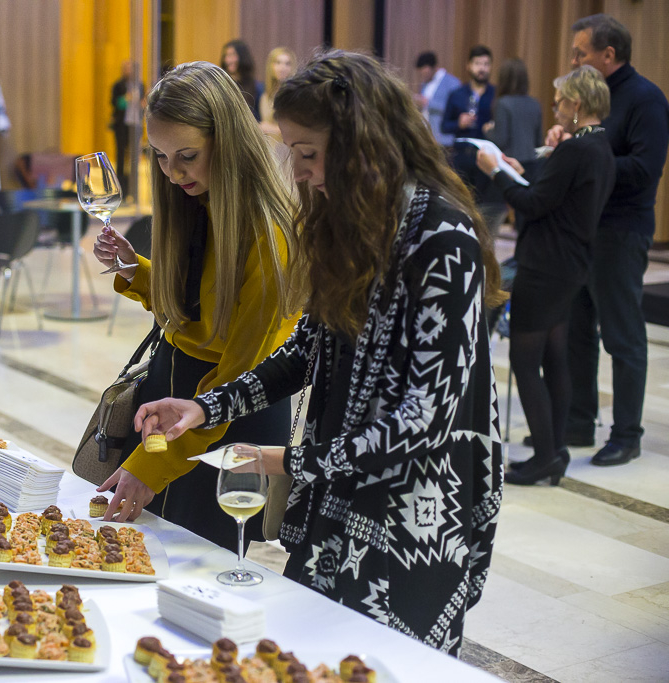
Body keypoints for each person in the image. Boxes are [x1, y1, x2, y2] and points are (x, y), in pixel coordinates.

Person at [135, 50, 506, 656]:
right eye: (293, 152)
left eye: (308, 153)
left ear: (364, 143)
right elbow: (305, 349)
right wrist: (206, 408)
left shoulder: (443, 237)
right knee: (307, 658)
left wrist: (288, 460)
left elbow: (425, 419)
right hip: (336, 499)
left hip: (412, 519)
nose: (300, 172)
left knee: (380, 663)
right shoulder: (346, 221)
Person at [91, 61, 301, 551]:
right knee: (146, 552)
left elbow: (239, 371)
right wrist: (136, 270)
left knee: (200, 563)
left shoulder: (268, 235)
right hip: (170, 397)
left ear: (228, 142)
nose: (173, 172)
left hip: (227, 414)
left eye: (187, 155)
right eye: (161, 157)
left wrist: (153, 464)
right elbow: (190, 313)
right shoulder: (195, 202)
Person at [477, 66, 614, 486]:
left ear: (576, 104)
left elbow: (533, 204)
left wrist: (495, 171)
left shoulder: (576, 150)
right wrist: (523, 169)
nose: (555, 110)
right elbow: (553, 196)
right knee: (555, 359)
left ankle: (544, 455)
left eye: (559, 103)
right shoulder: (599, 146)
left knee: (525, 361)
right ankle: (554, 450)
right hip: (570, 265)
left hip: (544, 267)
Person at [557, 14, 669, 467]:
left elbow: (645, 169)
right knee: (576, 330)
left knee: (623, 338)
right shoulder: (590, 98)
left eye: (580, 53)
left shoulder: (646, 99)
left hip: (621, 231)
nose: (573, 60)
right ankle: (579, 422)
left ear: (608, 54)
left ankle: (626, 434)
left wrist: (585, 157)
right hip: (583, 228)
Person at [442, 45, 505, 233]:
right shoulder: (457, 94)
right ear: (468, 66)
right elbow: (444, 126)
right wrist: (458, 123)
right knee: (458, 205)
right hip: (461, 157)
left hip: (486, 158)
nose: (482, 68)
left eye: (486, 64)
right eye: (478, 64)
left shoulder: (496, 94)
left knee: (485, 210)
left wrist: (494, 127)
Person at [484, 58, 543, 165]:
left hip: (510, 164)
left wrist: (488, 131)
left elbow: (500, 140)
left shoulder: (502, 103)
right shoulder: (535, 103)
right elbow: (538, 141)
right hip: (532, 163)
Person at [110, 60, 144, 195]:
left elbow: (143, 103)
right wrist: (125, 99)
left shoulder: (140, 85)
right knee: (121, 157)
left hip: (136, 124)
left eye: (130, 69)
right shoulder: (118, 85)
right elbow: (114, 103)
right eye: (126, 68)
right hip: (122, 125)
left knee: (134, 157)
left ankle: (133, 190)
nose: (128, 71)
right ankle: (121, 189)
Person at [413, 51, 461, 148]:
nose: (423, 75)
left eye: (425, 71)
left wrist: (427, 102)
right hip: (427, 137)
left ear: (433, 67)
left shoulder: (451, 82)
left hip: (444, 138)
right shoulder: (425, 84)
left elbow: (454, 109)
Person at [258, 47, 296, 138]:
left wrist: (271, 128)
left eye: (287, 64)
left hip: (287, 144)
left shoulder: (294, 94)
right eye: (278, 62)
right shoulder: (265, 95)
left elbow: (296, 128)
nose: (282, 68)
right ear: (271, 66)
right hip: (270, 144)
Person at [220, 40, 262, 120]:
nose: (228, 60)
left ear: (242, 56)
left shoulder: (257, 87)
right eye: (226, 56)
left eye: (232, 55)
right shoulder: (220, 85)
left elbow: (258, 118)